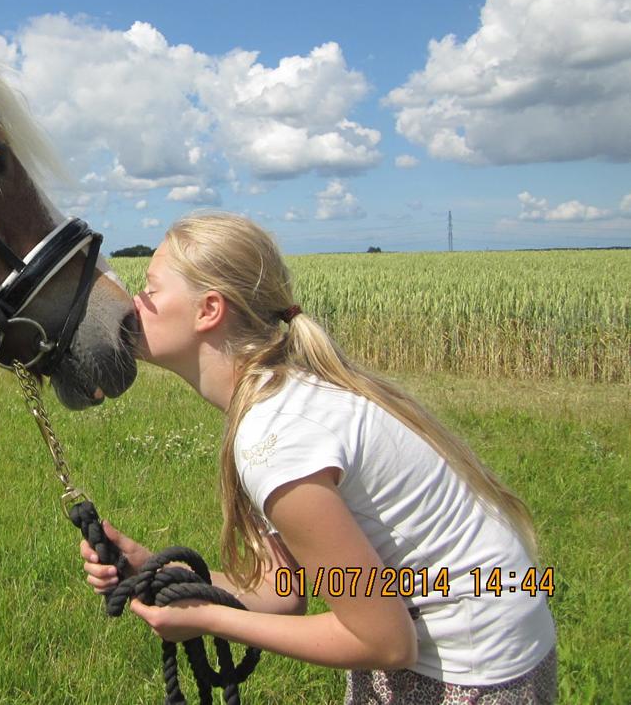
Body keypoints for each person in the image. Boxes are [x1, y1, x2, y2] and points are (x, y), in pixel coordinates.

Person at [80, 212, 556, 704]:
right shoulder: (274, 401)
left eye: (151, 289)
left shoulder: (277, 435)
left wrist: (206, 617)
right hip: (493, 652)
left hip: (469, 676)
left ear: (209, 310)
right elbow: (279, 592)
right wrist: (154, 569)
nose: (134, 304)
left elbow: (385, 642)